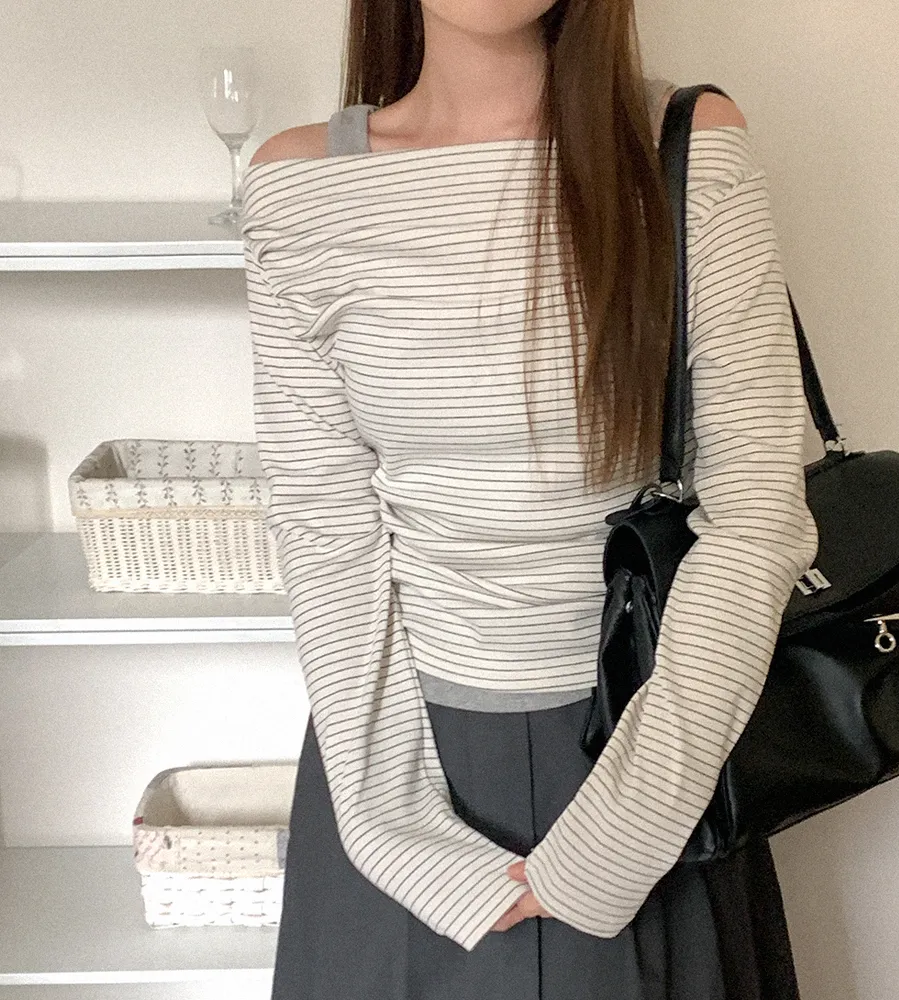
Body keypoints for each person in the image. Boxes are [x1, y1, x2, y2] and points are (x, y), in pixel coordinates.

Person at [240, 1, 819, 997]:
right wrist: (393, 832)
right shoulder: (300, 186)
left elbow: (757, 513)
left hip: (649, 757)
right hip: (395, 771)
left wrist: (619, 838)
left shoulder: (686, 148)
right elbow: (321, 527)